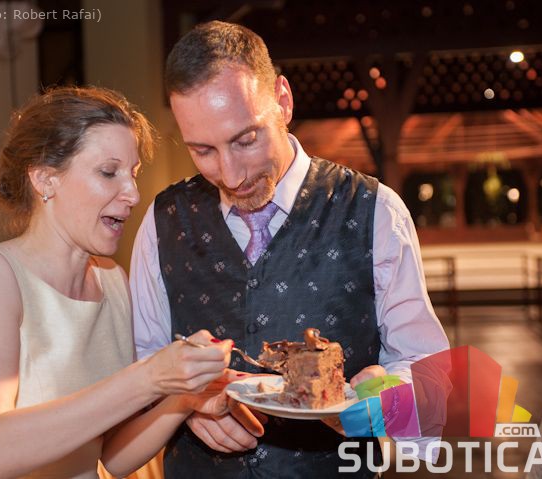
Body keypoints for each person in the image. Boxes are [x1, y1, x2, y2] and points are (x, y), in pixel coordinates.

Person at [130, 21, 450, 477]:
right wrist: (184, 407)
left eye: (246, 139)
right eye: (203, 151)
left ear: (283, 101)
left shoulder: (375, 209)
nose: (231, 175)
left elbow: (427, 371)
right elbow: (143, 363)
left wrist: (388, 401)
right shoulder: (163, 220)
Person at [0, 86, 238, 479]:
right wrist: (148, 378)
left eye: (132, 174)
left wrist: (183, 398)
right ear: (46, 179)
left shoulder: (112, 282)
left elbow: (110, 457)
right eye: (108, 172)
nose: (133, 195)